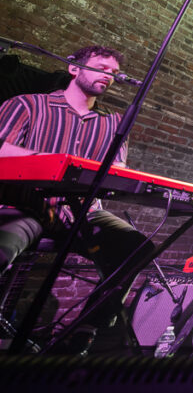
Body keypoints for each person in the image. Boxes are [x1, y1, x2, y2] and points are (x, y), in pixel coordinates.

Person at [0, 45, 154, 355]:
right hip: (26, 206)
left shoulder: (112, 124)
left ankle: (83, 330)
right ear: (74, 69)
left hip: (83, 214)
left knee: (137, 248)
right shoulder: (27, 105)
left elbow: (117, 173)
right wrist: (57, 161)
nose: (108, 76)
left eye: (113, 73)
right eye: (101, 67)